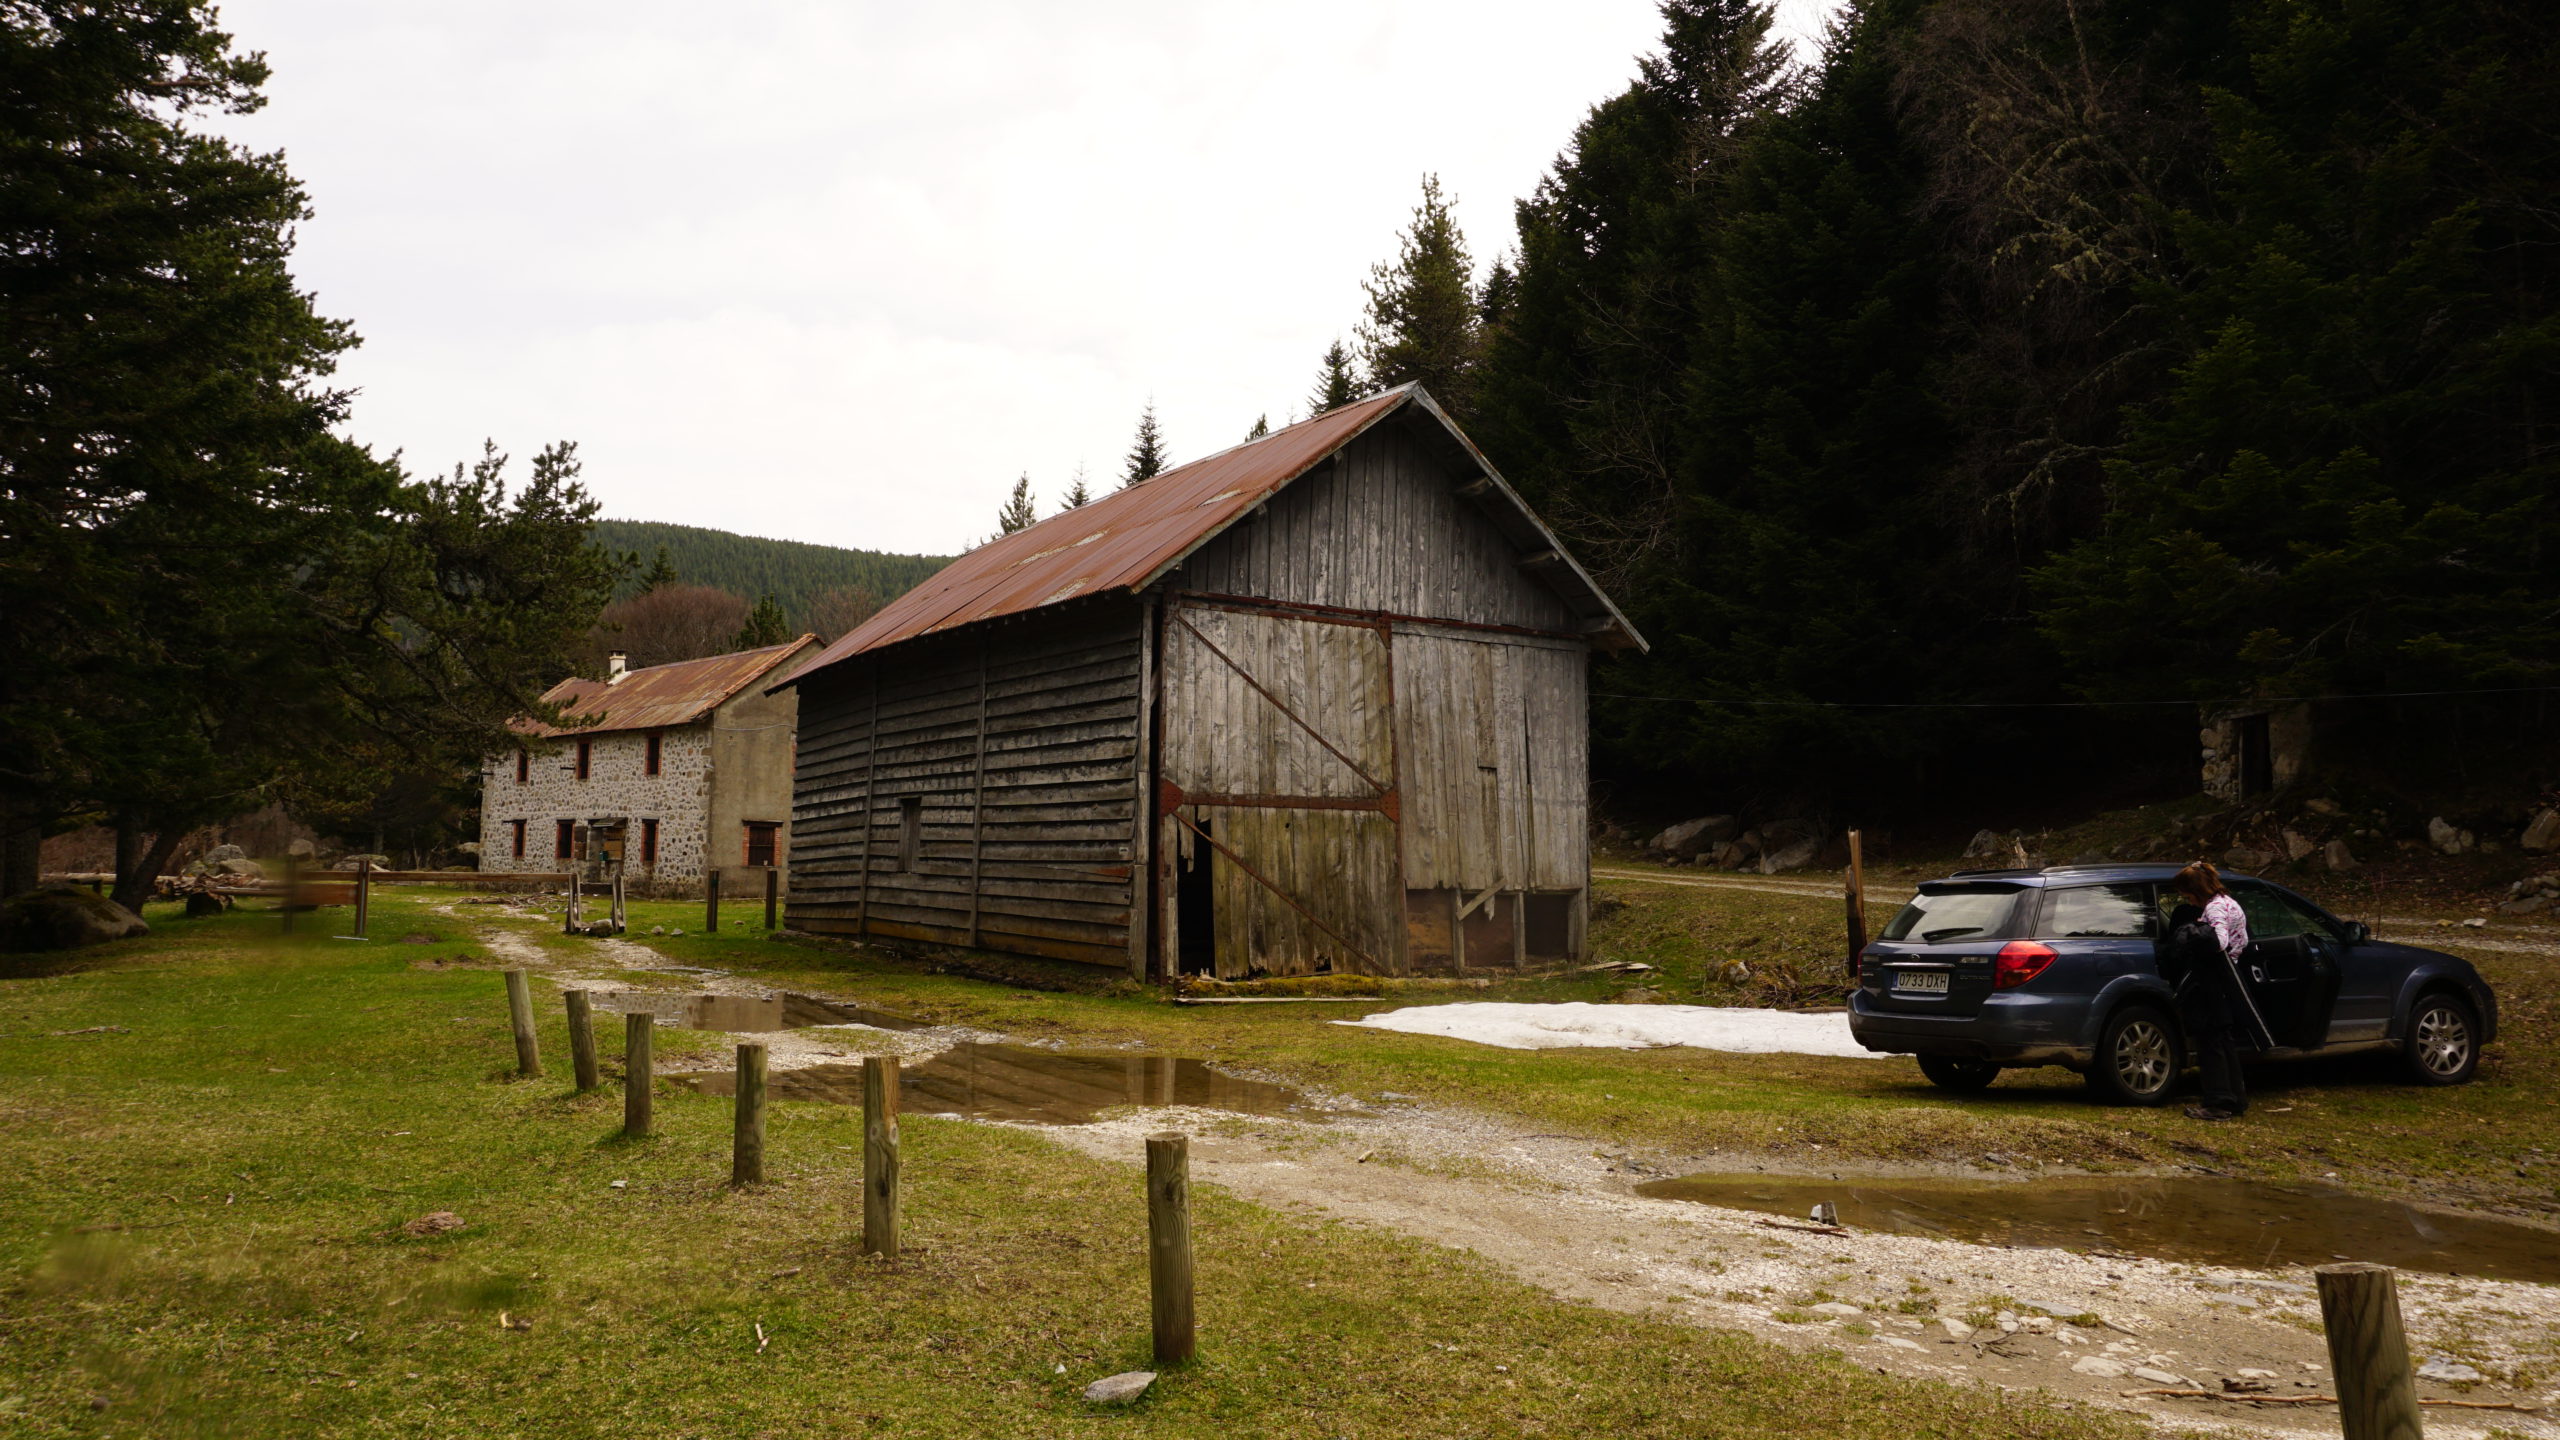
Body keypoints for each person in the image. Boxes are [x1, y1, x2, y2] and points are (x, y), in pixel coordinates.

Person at [2165, 860, 2259, 1120]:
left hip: (2215, 978)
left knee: (2211, 1039)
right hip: (2229, 977)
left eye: (2186, 895)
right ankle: (2235, 1098)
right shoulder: (2229, 902)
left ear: (2196, 890)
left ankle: (2218, 1102)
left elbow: (2218, 942)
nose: (2187, 901)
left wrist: (2191, 931)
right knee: (2223, 1038)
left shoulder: (2215, 908)